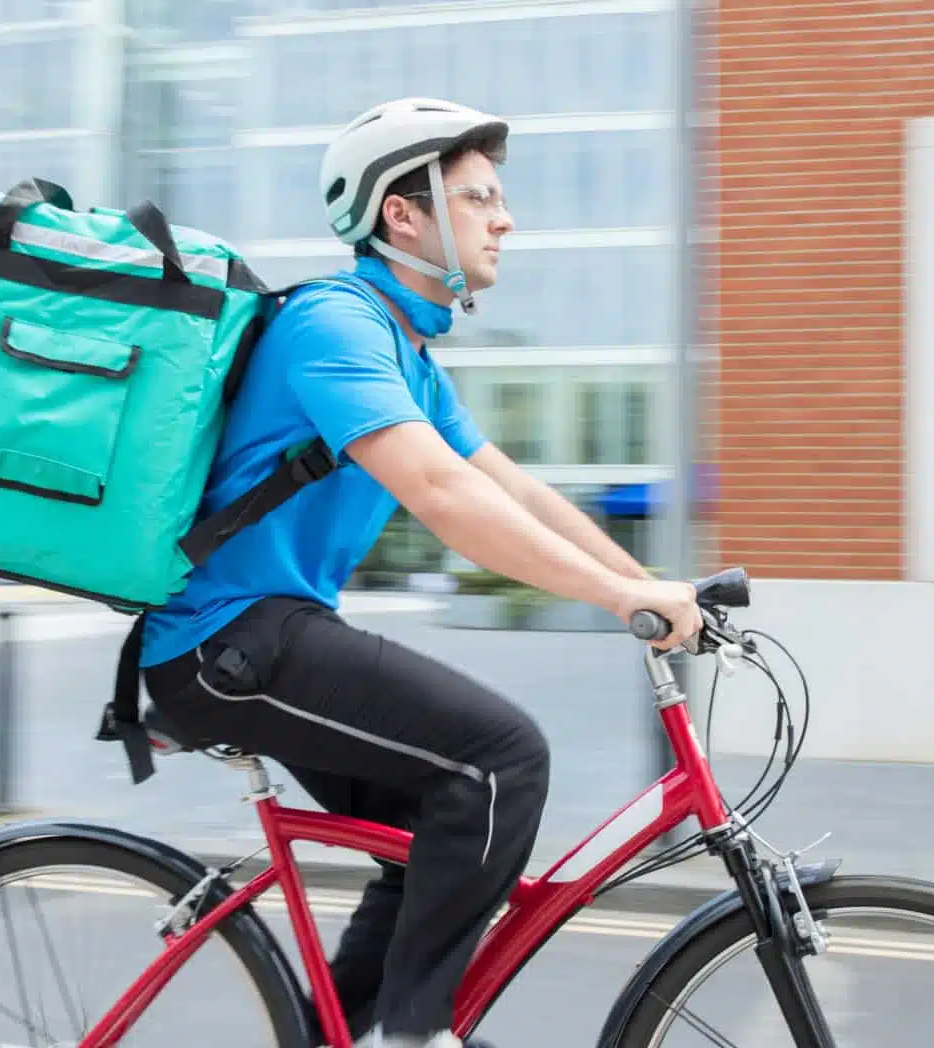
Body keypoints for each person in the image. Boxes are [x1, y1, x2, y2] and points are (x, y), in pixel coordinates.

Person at [139, 97, 705, 1048]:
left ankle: (342, 1034)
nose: (506, 218)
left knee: (435, 836)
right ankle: (415, 1036)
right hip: (226, 640)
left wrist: (649, 582)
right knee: (499, 759)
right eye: (480, 197)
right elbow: (440, 493)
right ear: (402, 216)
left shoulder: (408, 354)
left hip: (268, 636)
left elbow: (509, 489)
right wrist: (617, 597)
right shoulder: (335, 322)